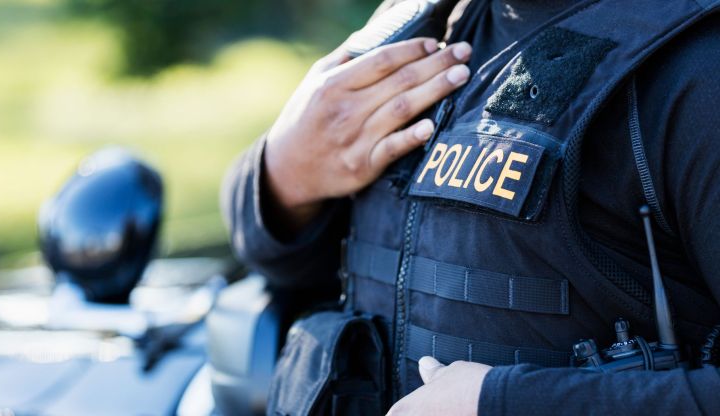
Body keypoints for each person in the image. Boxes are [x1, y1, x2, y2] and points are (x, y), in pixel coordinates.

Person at [221, 0, 720, 414]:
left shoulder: (696, 65)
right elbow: (294, 267)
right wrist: (282, 175)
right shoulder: (422, 23)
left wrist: (508, 405)